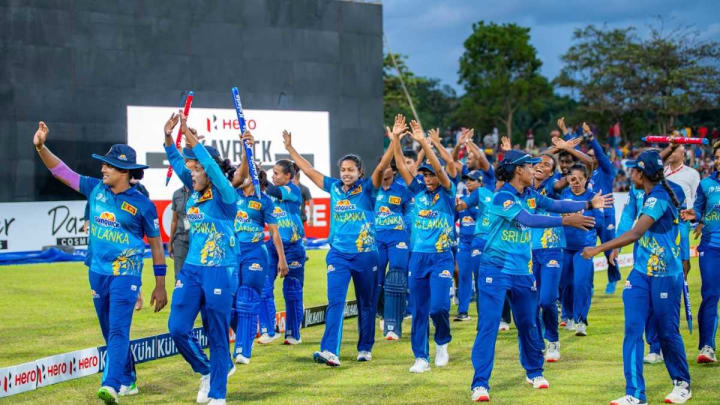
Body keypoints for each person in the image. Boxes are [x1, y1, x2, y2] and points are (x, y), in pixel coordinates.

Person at [33, 121, 168, 404]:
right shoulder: (96, 189)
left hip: (126, 275)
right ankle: (128, 379)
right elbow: (62, 173)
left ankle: (111, 384)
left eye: (108, 166)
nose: (102, 169)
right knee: (109, 331)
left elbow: (157, 246)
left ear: (125, 171)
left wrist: (159, 285)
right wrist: (41, 147)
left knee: (119, 329)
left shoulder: (142, 204)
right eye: (103, 165)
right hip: (96, 272)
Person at [469, 150, 612, 402]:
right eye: (530, 165)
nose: (534, 169)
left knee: (528, 324)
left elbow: (556, 205)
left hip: (522, 272)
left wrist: (589, 204)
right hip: (495, 270)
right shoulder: (503, 196)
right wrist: (565, 222)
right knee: (489, 327)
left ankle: (534, 372)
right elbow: (529, 220)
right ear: (517, 170)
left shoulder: (531, 195)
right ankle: (480, 384)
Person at [582, 149, 691, 405]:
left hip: (665, 273)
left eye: (634, 170)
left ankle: (682, 383)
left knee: (667, 331)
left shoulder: (660, 196)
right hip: (641, 273)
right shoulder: (646, 193)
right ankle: (635, 393)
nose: (630, 173)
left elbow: (636, 233)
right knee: (633, 329)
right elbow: (629, 223)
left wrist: (599, 248)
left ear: (642, 174)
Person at [283, 130, 378, 367]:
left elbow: (381, 171)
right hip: (338, 255)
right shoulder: (333, 187)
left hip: (366, 255)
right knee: (335, 301)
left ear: (359, 172)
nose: (346, 173)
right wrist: (290, 149)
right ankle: (329, 351)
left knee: (366, 303)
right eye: (343, 170)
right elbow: (308, 170)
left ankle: (365, 347)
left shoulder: (367, 189)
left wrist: (395, 140)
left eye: (351, 170)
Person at [164, 113, 238, 405]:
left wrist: (191, 137)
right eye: (191, 169)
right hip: (193, 269)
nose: (191, 173)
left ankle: (218, 394)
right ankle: (206, 370)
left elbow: (209, 166)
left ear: (210, 171)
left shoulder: (226, 196)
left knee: (217, 333)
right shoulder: (194, 191)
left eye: (196, 169)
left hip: (220, 270)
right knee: (177, 328)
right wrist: (170, 137)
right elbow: (176, 160)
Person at [394, 120, 456, 373]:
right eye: (425, 175)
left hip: (442, 257)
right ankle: (421, 357)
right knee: (419, 310)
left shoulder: (448, 193)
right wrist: (396, 140)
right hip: (418, 257)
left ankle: (442, 341)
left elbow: (442, 170)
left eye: (432, 175)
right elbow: (400, 165)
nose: (429, 179)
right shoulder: (417, 192)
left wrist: (423, 142)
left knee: (439, 307)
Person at [230, 133, 288, 364]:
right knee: (232, 302)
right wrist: (245, 148)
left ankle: (243, 349)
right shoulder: (230, 195)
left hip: (255, 252)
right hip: (231, 253)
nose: (240, 175)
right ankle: (242, 335)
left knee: (246, 298)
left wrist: (282, 259)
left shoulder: (264, 201)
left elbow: (274, 232)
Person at [371, 115, 412, 340]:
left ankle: (393, 325)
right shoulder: (371, 189)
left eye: (387, 165)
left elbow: (411, 212)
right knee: (375, 280)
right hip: (376, 239)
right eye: (381, 165)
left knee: (396, 278)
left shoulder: (402, 189)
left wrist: (395, 140)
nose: (384, 169)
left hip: (398, 238)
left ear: (393, 171)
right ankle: (379, 315)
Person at [258, 159, 307, 345]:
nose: (274, 176)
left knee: (292, 289)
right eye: (272, 173)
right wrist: (256, 176)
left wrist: (261, 178)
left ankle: (293, 333)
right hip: (272, 245)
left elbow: (273, 190)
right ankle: (269, 330)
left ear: (289, 176)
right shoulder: (268, 194)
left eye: (277, 173)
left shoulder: (293, 190)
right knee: (264, 286)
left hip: (293, 247)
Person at [682, 144, 720, 364]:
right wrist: (693, 215)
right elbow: (698, 210)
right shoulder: (706, 184)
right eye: (716, 157)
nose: (718, 160)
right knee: (711, 295)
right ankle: (707, 346)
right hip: (711, 247)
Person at [560, 164, 604, 337]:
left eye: (580, 178)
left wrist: (575, 219)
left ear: (586, 180)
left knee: (581, 284)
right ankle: (568, 316)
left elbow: (598, 222)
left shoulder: (593, 198)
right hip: (564, 248)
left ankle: (581, 320)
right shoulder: (564, 196)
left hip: (584, 249)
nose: (576, 182)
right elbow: (559, 217)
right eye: (573, 178)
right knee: (565, 284)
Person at [454, 170, 483, 321]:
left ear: (480, 182)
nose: (468, 182)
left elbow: (480, 219)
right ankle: (463, 311)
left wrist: (468, 205)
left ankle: (482, 311)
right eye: (467, 180)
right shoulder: (462, 201)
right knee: (464, 276)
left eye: (472, 180)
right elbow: (452, 219)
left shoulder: (484, 200)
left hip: (480, 243)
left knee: (480, 278)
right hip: (464, 243)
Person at [169, 184, 191, 278]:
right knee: (179, 275)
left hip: (196, 241)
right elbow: (174, 220)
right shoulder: (176, 194)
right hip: (180, 240)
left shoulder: (199, 193)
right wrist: (170, 243)